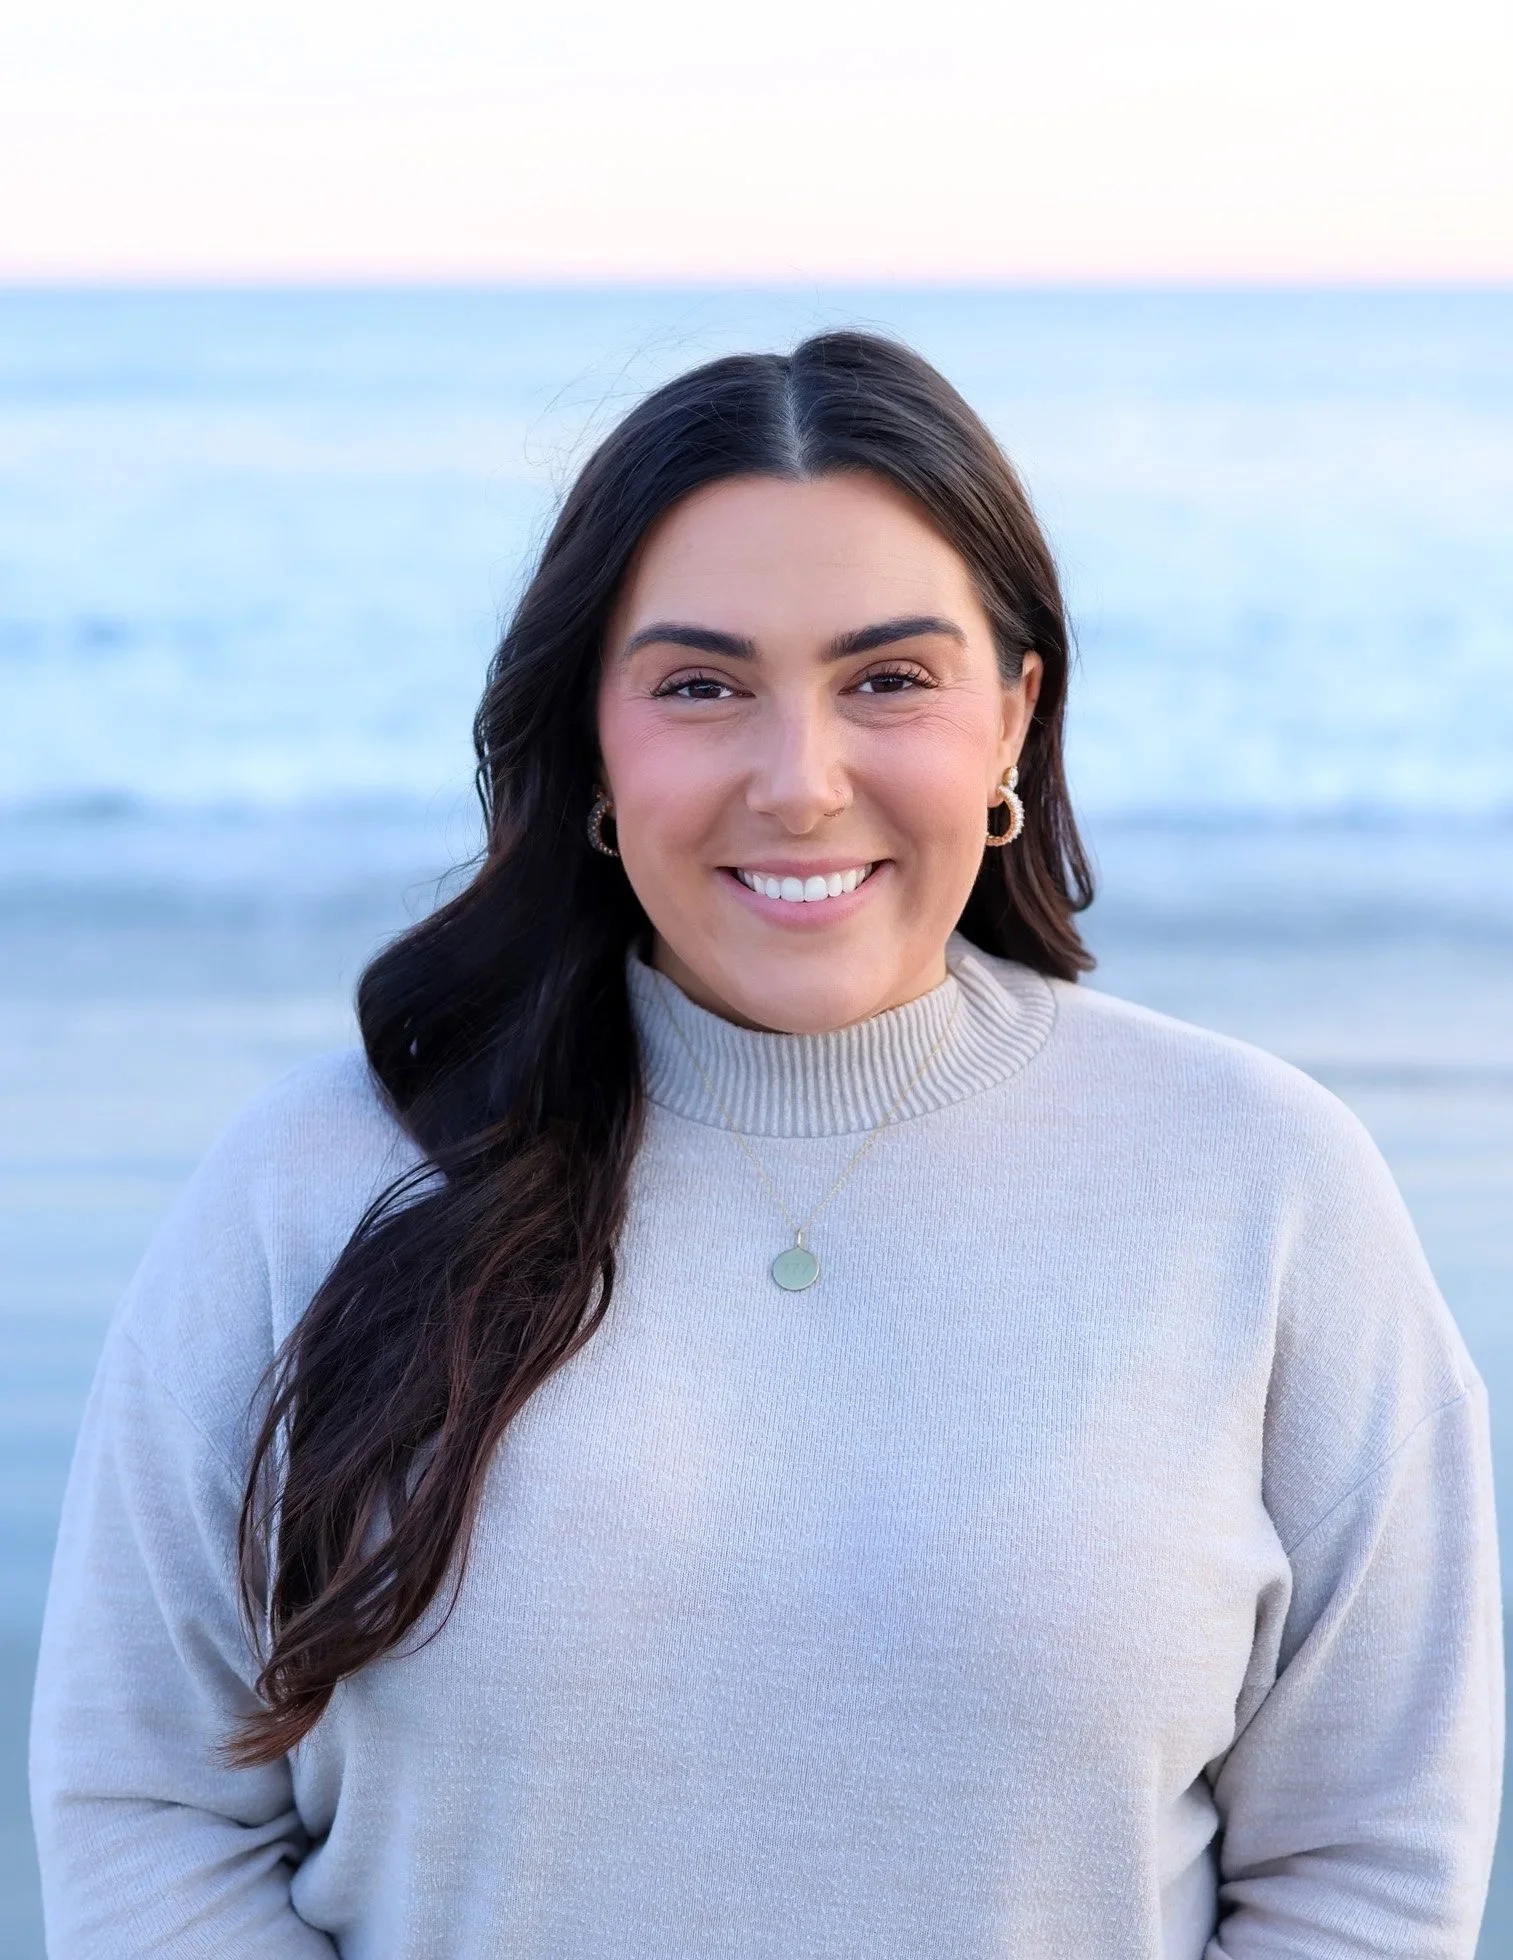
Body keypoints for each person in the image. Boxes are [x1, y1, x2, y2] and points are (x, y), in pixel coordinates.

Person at [31, 331, 1502, 1957]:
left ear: (1014, 716)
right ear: (592, 736)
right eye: (700, 687)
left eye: (888, 679)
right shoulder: (316, 1183)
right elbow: (147, 1811)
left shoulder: (1268, 1187)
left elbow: (1367, 1864)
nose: (799, 783)